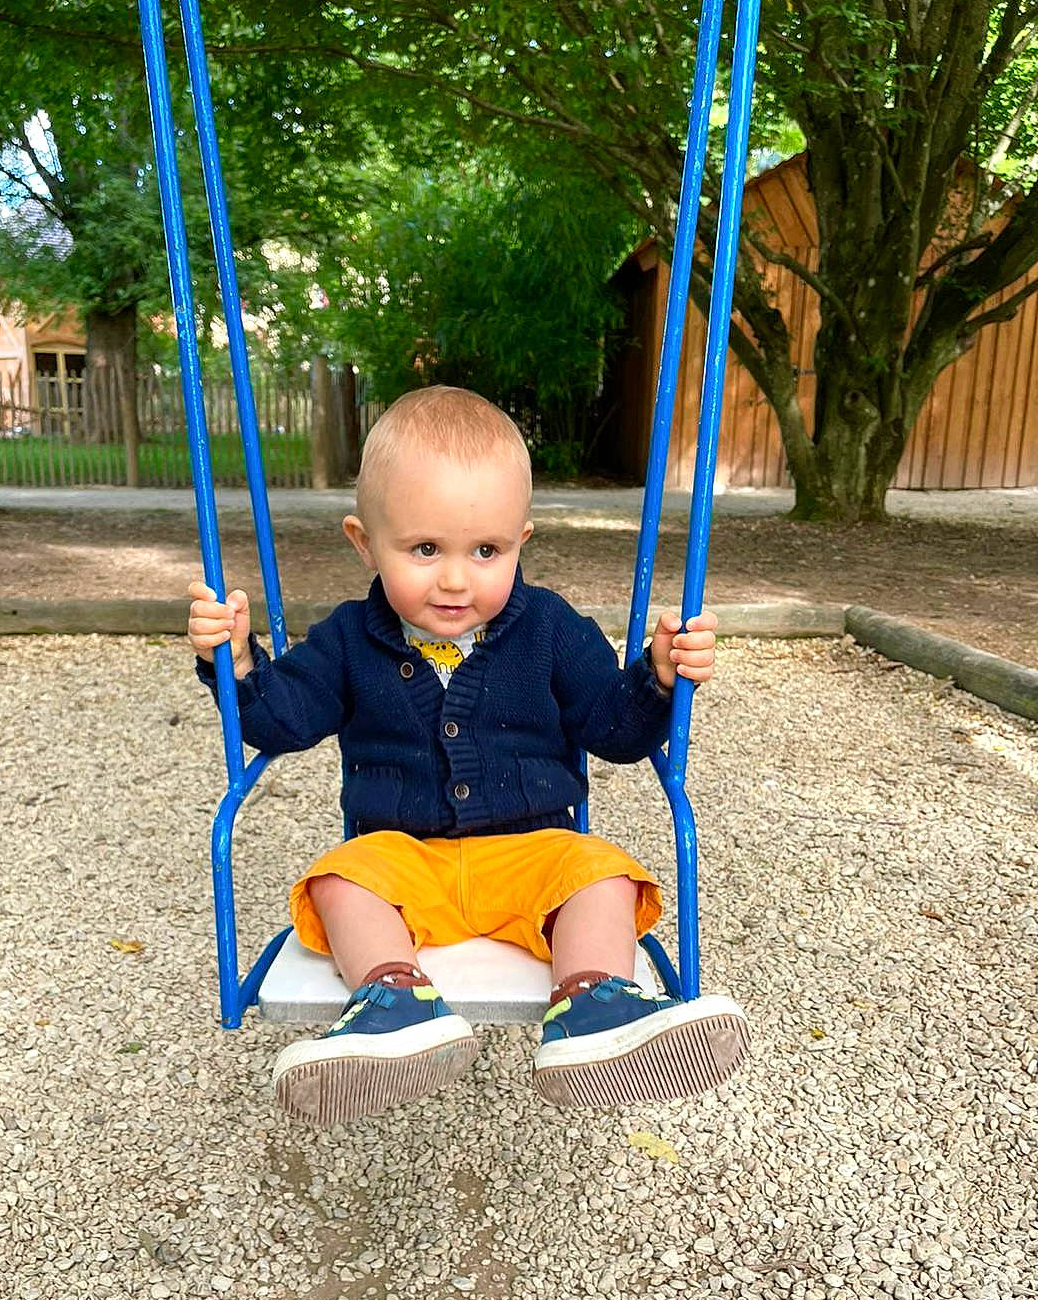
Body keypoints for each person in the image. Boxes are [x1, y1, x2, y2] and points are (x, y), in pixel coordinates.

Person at [189, 387, 749, 1127]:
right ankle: (392, 1004)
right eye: (425, 550)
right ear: (365, 542)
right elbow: (283, 721)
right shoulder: (351, 638)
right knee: (338, 880)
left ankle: (596, 1007)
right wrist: (237, 666)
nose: (456, 579)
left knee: (603, 872)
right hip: (403, 856)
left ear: (521, 540)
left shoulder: (550, 628)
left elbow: (614, 733)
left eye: (486, 551)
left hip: (532, 851)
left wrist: (658, 679)